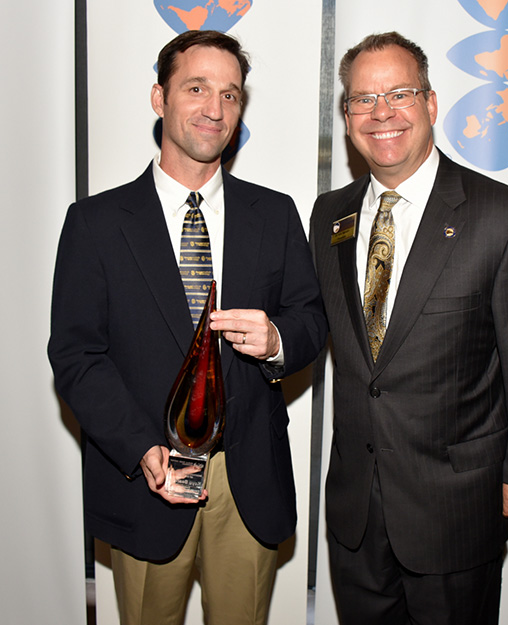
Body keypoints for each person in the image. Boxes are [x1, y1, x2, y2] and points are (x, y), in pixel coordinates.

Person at [48, 30, 327, 625]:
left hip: (247, 480)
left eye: (230, 94)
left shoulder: (274, 213)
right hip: (148, 475)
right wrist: (140, 448)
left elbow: (311, 321)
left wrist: (278, 340)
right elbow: (76, 356)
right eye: (196, 88)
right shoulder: (95, 223)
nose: (214, 108)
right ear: (159, 98)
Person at [310, 32, 508, 625]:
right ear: (347, 115)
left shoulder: (506, 217)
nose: (381, 114)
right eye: (362, 100)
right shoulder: (330, 216)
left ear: (429, 105)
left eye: (399, 94)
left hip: (455, 507)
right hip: (355, 510)